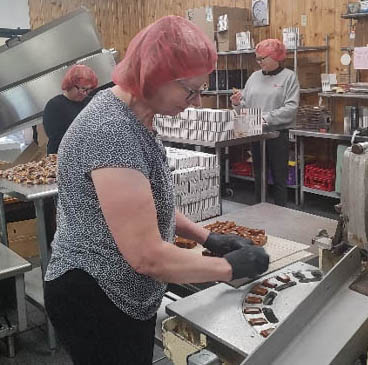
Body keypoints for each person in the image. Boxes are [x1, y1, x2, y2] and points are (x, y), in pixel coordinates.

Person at [43, 16, 269, 365]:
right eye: (190, 90)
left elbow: (148, 204)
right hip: (95, 294)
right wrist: (229, 268)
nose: (195, 102)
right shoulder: (111, 131)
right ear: (154, 75)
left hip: (123, 290)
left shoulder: (139, 118)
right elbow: (147, 256)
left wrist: (207, 238)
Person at [231, 39, 300, 207]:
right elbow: (245, 105)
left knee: (279, 177)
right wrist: (237, 103)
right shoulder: (254, 77)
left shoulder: (289, 77)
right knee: (259, 176)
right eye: (258, 59)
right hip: (256, 134)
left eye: (263, 58)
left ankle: (280, 212)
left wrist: (266, 118)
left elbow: (291, 108)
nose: (259, 62)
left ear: (276, 57)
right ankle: (258, 209)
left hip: (277, 135)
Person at [42, 64, 98, 155]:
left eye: (89, 90)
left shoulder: (91, 103)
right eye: (82, 88)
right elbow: (57, 138)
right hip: (62, 155)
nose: (84, 93)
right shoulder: (54, 105)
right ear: (70, 84)